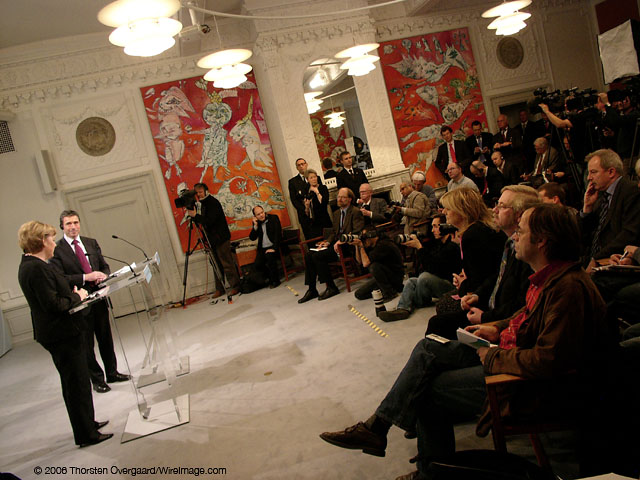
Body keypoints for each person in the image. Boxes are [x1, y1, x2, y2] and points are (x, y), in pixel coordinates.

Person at [319, 204, 610, 480]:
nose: (516, 237)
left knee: (427, 389)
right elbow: (525, 317)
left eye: (522, 231)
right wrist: (496, 328)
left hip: (529, 385)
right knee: (427, 347)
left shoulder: (567, 288)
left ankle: (423, 467)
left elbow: (548, 361)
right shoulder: (551, 278)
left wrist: (491, 356)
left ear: (543, 241)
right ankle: (379, 428)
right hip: (508, 353)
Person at [17, 221, 112, 447]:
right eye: (50, 238)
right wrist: (78, 296)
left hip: (64, 331)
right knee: (75, 383)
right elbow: (53, 304)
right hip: (61, 333)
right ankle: (86, 434)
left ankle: (88, 423)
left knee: (79, 381)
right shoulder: (35, 267)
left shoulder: (35, 264)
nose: (54, 243)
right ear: (42, 241)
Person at [426, 186, 539, 339]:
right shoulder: (508, 242)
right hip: (491, 301)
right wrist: (477, 295)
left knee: (439, 319)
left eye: (502, 206)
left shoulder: (476, 235)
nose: (494, 210)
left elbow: (522, 304)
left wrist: (484, 315)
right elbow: (498, 274)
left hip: (496, 314)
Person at [50, 210, 130, 394]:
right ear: (62, 226)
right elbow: (61, 278)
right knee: (87, 344)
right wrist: (87, 277)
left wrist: (105, 277)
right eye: (69, 224)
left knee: (105, 337)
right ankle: (97, 379)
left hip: (100, 296)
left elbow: (104, 265)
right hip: (79, 300)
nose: (73, 227)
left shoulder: (90, 242)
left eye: (76, 223)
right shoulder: (57, 249)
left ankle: (112, 372)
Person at [378, 214, 461, 322]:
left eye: (436, 226)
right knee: (411, 281)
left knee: (424, 277)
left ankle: (414, 302)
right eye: (432, 226)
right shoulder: (438, 243)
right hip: (438, 281)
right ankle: (402, 309)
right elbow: (429, 262)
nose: (432, 230)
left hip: (451, 286)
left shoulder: (452, 246)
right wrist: (418, 246)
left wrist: (420, 248)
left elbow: (434, 268)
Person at [298, 188, 365, 303]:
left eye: (343, 197)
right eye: (338, 196)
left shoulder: (355, 212)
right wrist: (327, 242)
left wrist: (341, 241)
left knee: (318, 256)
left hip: (348, 246)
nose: (339, 199)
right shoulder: (337, 213)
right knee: (309, 255)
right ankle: (312, 289)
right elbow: (334, 233)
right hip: (335, 246)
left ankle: (331, 287)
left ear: (349, 199)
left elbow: (357, 232)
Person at [439, 188, 506, 300]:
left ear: (462, 211)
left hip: (489, 294)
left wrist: (463, 284)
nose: (444, 212)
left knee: (444, 304)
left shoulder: (473, 235)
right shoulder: (480, 228)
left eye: (448, 208)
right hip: (490, 287)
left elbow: (479, 280)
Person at [581, 149, 640, 269]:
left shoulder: (631, 191)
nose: (589, 178)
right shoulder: (600, 195)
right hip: (593, 260)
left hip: (612, 261)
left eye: (593, 172)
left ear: (611, 172)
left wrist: (596, 258)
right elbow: (585, 236)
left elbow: (629, 234)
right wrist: (587, 208)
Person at [186, 183, 241, 296]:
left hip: (220, 238)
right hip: (211, 239)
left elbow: (209, 221)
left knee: (226, 262)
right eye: (197, 193)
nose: (199, 194)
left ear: (206, 191)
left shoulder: (213, 202)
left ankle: (235, 286)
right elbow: (201, 222)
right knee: (216, 264)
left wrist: (196, 215)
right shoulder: (200, 204)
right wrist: (194, 215)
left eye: (201, 192)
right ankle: (219, 289)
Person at [351, 228, 405, 302]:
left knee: (374, 266)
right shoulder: (371, 245)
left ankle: (390, 293)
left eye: (365, 238)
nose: (364, 240)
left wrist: (361, 246)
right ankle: (388, 290)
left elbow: (366, 264)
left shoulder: (383, 244)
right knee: (359, 294)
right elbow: (359, 261)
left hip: (395, 277)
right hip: (383, 277)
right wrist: (356, 246)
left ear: (371, 235)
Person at [249, 206, 282, 289]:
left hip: (274, 246)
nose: (261, 215)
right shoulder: (256, 222)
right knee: (257, 264)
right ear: (255, 216)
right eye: (258, 214)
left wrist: (274, 248)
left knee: (269, 256)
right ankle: (269, 278)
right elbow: (252, 238)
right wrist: (255, 226)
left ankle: (275, 280)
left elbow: (278, 235)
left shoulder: (273, 218)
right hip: (263, 248)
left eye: (262, 212)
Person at [288, 157, 313, 239]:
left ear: (306, 164)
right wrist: (305, 209)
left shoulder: (315, 178)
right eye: (299, 165)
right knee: (309, 236)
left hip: (316, 212)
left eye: (303, 164)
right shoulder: (293, 182)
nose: (301, 166)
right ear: (297, 168)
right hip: (304, 214)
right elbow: (294, 200)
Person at [303, 169, 332, 238]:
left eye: (315, 177)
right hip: (314, 222)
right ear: (307, 180)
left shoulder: (323, 188)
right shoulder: (307, 191)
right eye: (311, 178)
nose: (314, 179)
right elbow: (307, 213)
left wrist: (317, 192)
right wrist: (306, 206)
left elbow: (324, 203)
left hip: (324, 219)